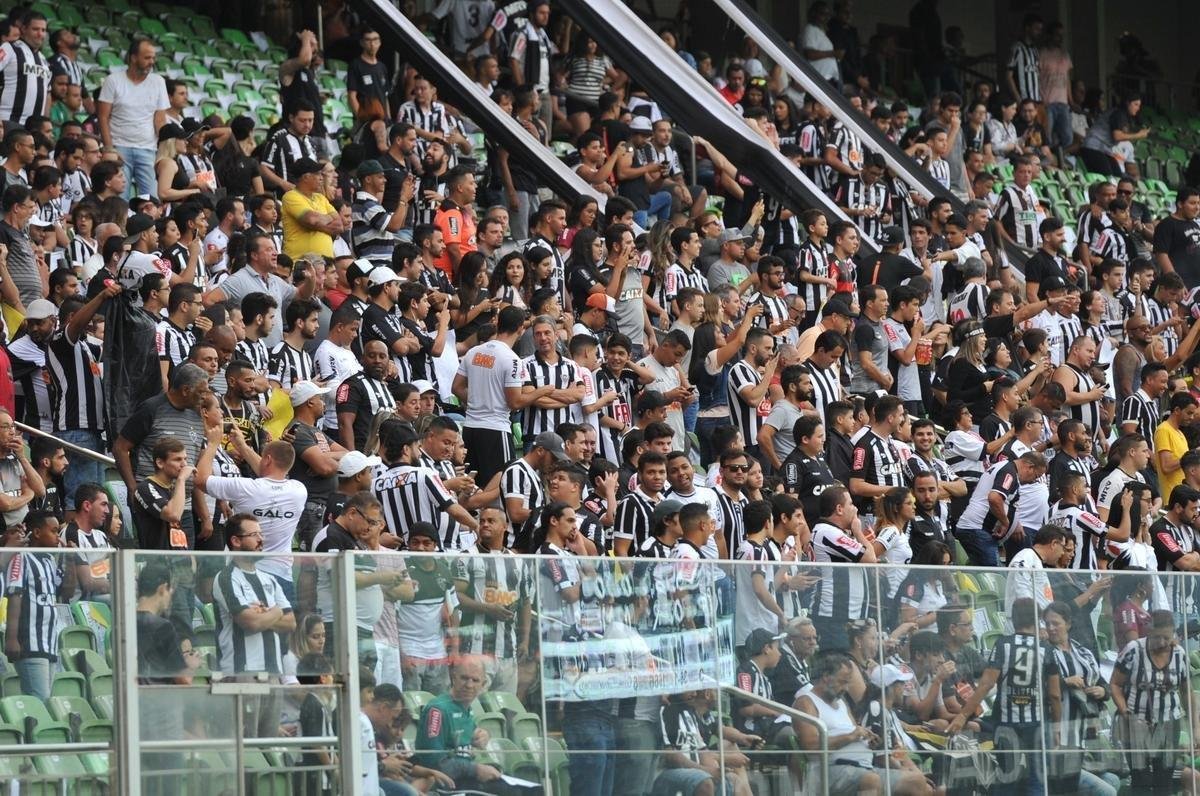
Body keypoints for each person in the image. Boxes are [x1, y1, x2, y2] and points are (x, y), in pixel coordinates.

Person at [948, 598, 1061, 796]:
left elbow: (986, 684)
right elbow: (1054, 694)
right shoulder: (1046, 649)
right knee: (1037, 779)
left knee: (1007, 777)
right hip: (1036, 724)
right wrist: (1057, 725)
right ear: (1037, 619)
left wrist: (962, 715)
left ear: (1013, 619)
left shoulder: (1002, 644)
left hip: (1007, 723)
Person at [453, 306, 556, 487]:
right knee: (503, 486)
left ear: (498, 324)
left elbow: (456, 387)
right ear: (520, 329)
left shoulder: (474, 352)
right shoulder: (512, 359)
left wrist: (477, 401)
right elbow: (515, 402)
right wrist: (543, 390)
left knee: (472, 486)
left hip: (470, 428)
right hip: (495, 429)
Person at [1110, 610, 1200, 794]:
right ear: (1149, 631)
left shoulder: (1179, 654)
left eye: (1166, 638)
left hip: (1169, 722)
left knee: (1164, 780)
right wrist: (1126, 712)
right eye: (1157, 637)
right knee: (1140, 778)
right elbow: (1115, 684)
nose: (1162, 642)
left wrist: (1195, 729)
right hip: (1136, 723)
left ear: (1174, 634)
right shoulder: (1133, 650)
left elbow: (1186, 692)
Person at [4, 510, 70, 701]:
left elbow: (66, 591)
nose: (58, 537)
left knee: (46, 701)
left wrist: (71, 560)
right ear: (38, 532)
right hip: (29, 643)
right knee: (39, 699)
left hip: (49, 643)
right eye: (54, 531)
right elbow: (15, 596)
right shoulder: (21, 557)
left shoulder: (49, 560)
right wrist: (11, 638)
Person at [97, 36, 169, 197]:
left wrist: (164, 150)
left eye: (153, 58)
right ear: (133, 57)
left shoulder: (158, 82)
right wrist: (109, 148)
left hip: (148, 149)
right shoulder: (113, 81)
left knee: (152, 199)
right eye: (147, 57)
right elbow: (103, 117)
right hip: (119, 148)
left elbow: (160, 120)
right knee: (119, 199)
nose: (152, 61)